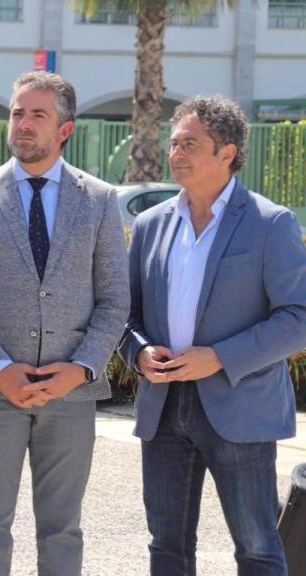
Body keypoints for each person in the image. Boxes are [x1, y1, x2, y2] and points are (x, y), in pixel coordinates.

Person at [0, 71, 129, 576]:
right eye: (17, 112)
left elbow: (114, 300)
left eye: (37, 115)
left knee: (62, 529)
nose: (23, 124)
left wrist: (82, 368)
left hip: (71, 396)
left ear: (64, 130)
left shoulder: (100, 200)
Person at [120, 95, 306, 575]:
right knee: (166, 547)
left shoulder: (271, 224)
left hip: (241, 408)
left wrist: (219, 356)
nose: (175, 153)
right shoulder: (149, 225)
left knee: (258, 547)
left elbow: (298, 317)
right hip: (163, 409)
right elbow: (124, 313)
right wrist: (138, 353)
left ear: (227, 153)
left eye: (190, 144)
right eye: (174, 142)